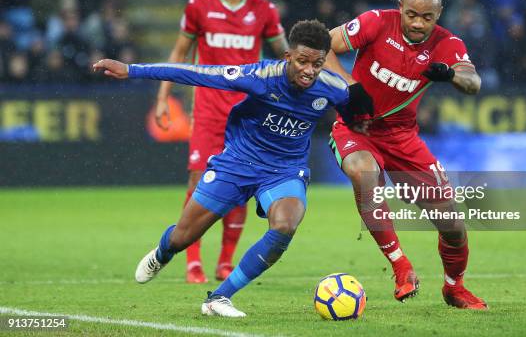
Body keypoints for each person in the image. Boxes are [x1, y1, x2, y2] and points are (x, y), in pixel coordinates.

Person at [94, 20, 371, 317]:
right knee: (183, 237)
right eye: (302, 61)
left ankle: (220, 297)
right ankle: (163, 253)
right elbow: (196, 73)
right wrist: (133, 70)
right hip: (238, 163)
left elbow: (354, 115)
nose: (309, 71)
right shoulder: (260, 76)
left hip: (285, 170)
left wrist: (362, 123)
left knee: (286, 225)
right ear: (288, 56)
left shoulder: (333, 88)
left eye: (317, 63)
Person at [324, 0, 488, 309]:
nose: (417, 23)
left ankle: (454, 287)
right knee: (363, 173)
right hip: (357, 129)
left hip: (403, 137)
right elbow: (323, 45)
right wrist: (350, 86)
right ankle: (401, 267)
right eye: (411, 14)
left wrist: (452, 75)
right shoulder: (375, 22)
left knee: (452, 224)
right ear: (401, 7)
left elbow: (473, 83)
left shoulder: (447, 44)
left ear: (438, 14)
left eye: (426, 17)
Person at [155, 0, 289, 283]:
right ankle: (193, 261)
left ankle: (225, 261)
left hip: (247, 116)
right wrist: (163, 97)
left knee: (242, 185)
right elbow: (179, 54)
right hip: (208, 112)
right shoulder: (198, 7)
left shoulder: (264, 10)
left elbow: (287, 56)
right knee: (198, 182)